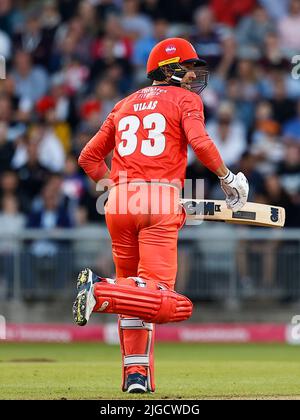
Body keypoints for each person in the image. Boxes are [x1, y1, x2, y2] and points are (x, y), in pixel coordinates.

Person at [74, 38, 249, 394]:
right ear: (169, 69)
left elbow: (87, 158)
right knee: (170, 302)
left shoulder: (123, 104)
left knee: (136, 293)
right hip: (159, 200)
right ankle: (100, 290)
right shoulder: (186, 99)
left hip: (119, 203)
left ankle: (135, 377)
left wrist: (111, 188)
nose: (192, 76)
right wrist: (227, 178)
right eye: (187, 68)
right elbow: (200, 143)